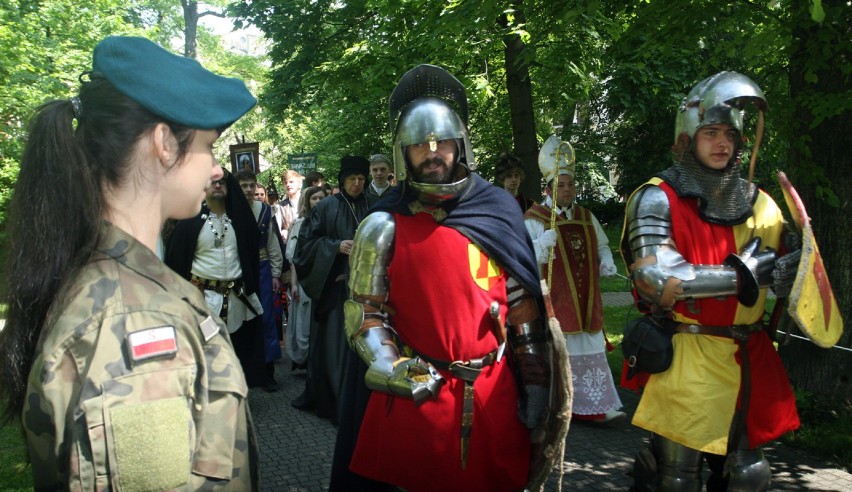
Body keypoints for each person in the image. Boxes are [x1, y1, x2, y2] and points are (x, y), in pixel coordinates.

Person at [0, 36, 258, 489]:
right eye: (209, 146)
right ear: (164, 143)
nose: (217, 169)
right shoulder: (135, 322)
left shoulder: (103, 276)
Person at [336, 64, 553, 491]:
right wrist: (392, 366)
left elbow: (522, 305)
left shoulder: (498, 209)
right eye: (421, 145)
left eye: (442, 143)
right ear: (403, 152)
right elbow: (363, 311)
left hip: (495, 394)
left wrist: (536, 380)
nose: (433, 153)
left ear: (461, 144)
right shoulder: (384, 225)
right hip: (422, 395)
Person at [621, 71, 800, 491]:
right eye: (711, 133)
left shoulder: (763, 204)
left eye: (730, 136)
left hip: (748, 355)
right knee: (678, 480)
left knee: (749, 477)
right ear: (688, 138)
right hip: (689, 353)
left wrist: (794, 270)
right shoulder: (657, 196)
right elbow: (653, 278)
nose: (723, 143)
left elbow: (793, 273)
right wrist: (742, 276)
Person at [524, 137, 626, 425]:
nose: (567, 190)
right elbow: (522, 257)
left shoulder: (585, 216)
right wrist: (541, 244)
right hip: (555, 297)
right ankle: (561, 405)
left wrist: (606, 262)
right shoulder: (536, 218)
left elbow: (603, 246)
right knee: (560, 348)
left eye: (571, 185)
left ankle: (596, 404)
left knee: (590, 344)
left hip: (586, 296)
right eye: (561, 186)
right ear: (548, 189)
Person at [165, 169, 272, 391]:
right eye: (212, 181)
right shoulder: (189, 223)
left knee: (237, 348)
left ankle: (234, 395)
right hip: (204, 300)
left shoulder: (240, 222)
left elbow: (251, 257)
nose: (217, 185)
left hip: (237, 299)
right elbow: (176, 262)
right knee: (206, 350)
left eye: (222, 182)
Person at [292, 156, 375, 423]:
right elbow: (305, 246)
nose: (356, 184)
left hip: (368, 291)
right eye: (352, 179)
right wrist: (335, 246)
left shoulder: (374, 206)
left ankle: (363, 404)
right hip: (335, 289)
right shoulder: (327, 206)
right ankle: (337, 402)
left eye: (361, 179)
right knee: (336, 350)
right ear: (342, 180)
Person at [236, 168, 285, 391]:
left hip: (263, 270)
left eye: (250, 185)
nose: (247, 189)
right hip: (238, 271)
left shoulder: (265, 211)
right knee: (241, 320)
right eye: (243, 185)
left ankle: (268, 373)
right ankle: (242, 373)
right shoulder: (229, 210)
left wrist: (276, 274)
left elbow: (273, 244)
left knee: (266, 319)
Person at [285, 185, 327, 370]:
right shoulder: (300, 224)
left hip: (327, 282)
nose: (318, 202)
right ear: (307, 201)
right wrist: (294, 284)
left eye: (321, 198)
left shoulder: (331, 221)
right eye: (314, 198)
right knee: (305, 326)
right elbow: (295, 258)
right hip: (306, 282)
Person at [278, 169, 304, 241]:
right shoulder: (280, 206)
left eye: (291, 182)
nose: (288, 185)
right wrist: (284, 231)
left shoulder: (307, 203)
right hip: (289, 244)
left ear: (300, 184)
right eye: (286, 183)